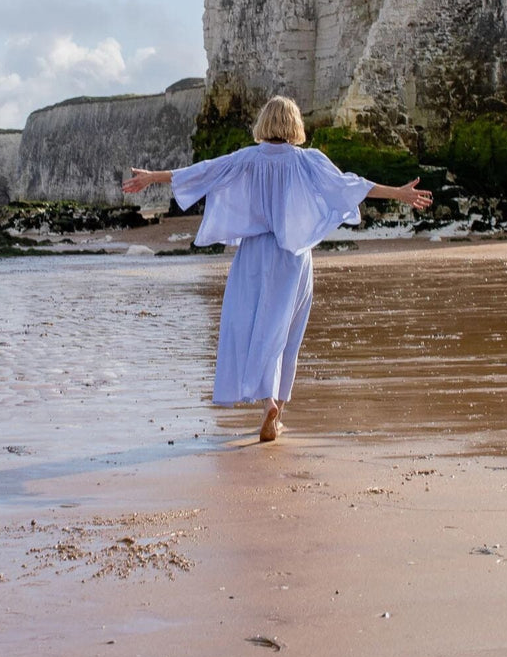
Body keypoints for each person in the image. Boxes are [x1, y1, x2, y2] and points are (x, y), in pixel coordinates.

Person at [122, 95, 432, 443]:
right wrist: (399, 193)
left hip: (255, 253)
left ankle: (267, 402)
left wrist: (152, 177)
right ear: (294, 124)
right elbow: (350, 185)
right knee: (286, 333)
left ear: (264, 123)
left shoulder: (247, 159)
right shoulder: (307, 161)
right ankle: (277, 409)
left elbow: (203, 171)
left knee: (252, 328)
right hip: (294, 255)